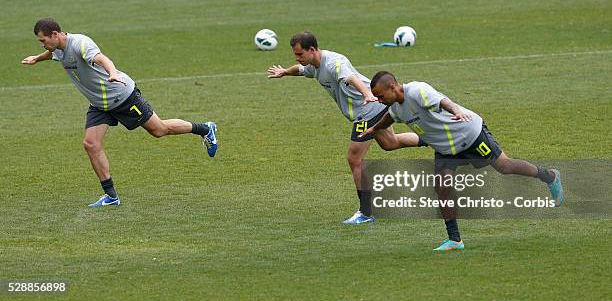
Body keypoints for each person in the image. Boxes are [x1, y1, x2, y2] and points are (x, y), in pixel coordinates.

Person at [21, 18, 219, 207]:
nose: (42, 44)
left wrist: (113, 73)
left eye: (43, 40)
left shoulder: (80, 43)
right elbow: (53, 55)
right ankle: (111, 196)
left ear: (55, 34)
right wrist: (36, 59)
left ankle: (204, 128)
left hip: (122, 97)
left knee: (159, 130)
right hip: (100, 104)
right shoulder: (58, 48)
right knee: (90, 144)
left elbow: (101, 58)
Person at [359, 71, 564, 251]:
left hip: (470, 134)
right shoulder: (396, 107)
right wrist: (374, 129)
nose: (379, 100)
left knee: (504, 166)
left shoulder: (417, 90)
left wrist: (457, 110)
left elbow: (442, 100)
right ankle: (454, 239)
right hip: (446, 149)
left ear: (393, 87)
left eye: (380, 95)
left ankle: (550, 176)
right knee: (442, 186)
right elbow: (390, 118)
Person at [267, 31, 426, 224]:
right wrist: (284, 72)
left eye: (300, 54)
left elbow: (351, 78)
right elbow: (300, 71)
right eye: (295, 55)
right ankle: (430, 138)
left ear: (312, 49)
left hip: (367, 110)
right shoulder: (312, 65)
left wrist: (366, 93)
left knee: (354, 159)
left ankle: (366, 212)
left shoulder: (334, 63)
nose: (297, 58)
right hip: (374, 107)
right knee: (390, 143)